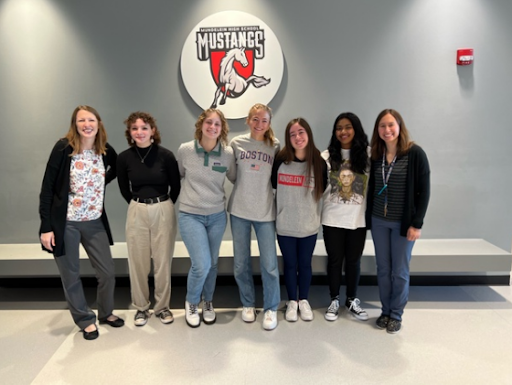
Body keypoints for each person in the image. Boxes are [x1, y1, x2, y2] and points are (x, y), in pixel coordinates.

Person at [39, 105, 123, 340]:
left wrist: (95, 188)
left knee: (107, 273)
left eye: (91, 120)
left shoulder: (105, 151)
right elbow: (47, 189)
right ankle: (85, 319)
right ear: (74, 125)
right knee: (71, 275)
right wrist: (46, 227)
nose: (87, 124)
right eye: (81, 120)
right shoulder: (63, 148)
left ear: (99, 123)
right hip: (66, 224)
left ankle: (106, 313)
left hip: (94, 222)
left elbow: (115, 171)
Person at [366, 109, 430, 334]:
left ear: (399, 126)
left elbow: (424, 191)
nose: (387, 130)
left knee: (400, 270)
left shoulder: (415, 154)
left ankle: (396, 313)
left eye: (391, 125)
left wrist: (417, 223)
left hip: (403, 224)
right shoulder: (376, 155)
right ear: (378, 130)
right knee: (383, 269)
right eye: (382, 126)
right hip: (379, 221)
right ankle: (385, 310)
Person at [117, 112, 181, 327]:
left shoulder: (166, 155)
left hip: (163, 208)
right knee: (137, 262)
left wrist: (162, 204)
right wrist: (139, 204)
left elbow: (176, 186)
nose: (139, 132)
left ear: (152, 130)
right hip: (137, 210)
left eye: (144, 127)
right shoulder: (124, 158)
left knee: (163, 262)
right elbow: (124, 189)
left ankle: (162, 307)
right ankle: (141, 307)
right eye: (135, 128)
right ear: (130, 133)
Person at [177, 108, 236, 328]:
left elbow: (234, 177)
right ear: (201, 125)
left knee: (212, 264)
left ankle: (208, 302)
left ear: (222, 129)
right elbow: (179, 176)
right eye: (209, 123)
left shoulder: (227, 154)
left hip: (217, 216)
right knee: (201, 264)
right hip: (191, 215)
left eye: (217, 124)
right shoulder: (185, 150)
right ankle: (192, 302)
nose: (212, 127)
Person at [228, 103, 281, 331]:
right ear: (248, 120)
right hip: (239, 210)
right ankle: (247, 303)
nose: (260, 124)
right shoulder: (236, 143)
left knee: (269, 264)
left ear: (269, 123)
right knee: (241, 263)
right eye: (255, 119)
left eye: (264, 120)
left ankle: (271, 307)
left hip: (265, 211)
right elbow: (232, 175)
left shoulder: (275, 146)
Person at [271, 118, 327, 322]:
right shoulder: (280, 161)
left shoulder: (319, 163)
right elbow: (273, 189)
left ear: (308, 134)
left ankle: (304, 300)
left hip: (308, 226)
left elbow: (322, 193)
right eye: (293, 134)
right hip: (285, 225)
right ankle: (292, 301)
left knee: (304, 264)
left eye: (301, 132)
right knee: (290, 263)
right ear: (288, 138)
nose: (297, 137)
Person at [321, 112, 371, 322]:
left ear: (355, 129)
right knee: (334, 261)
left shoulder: (368, 155)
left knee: (353, 261)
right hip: (332, 218)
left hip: (357, 219)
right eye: (339, 128)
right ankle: (334, 299)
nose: (343, 132)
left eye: (348, 127)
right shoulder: (326, 156)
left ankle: (352, 299)